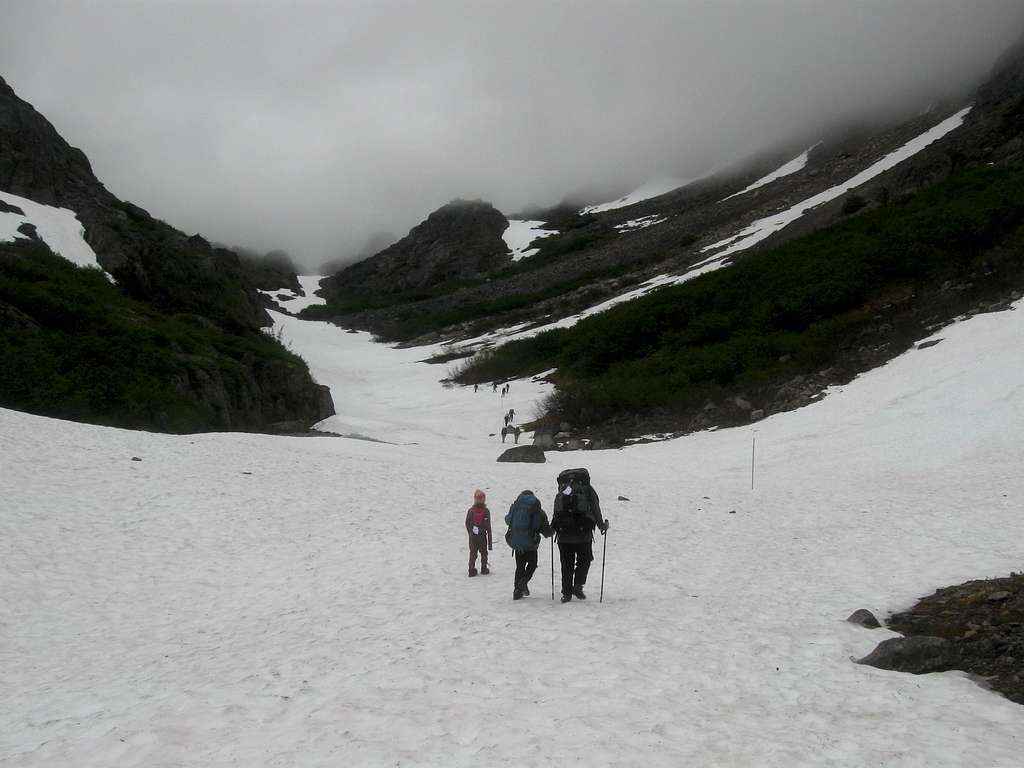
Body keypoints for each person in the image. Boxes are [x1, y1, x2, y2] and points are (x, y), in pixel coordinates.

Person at [550, 471, 607, 602]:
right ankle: (578, 585)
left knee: (566, 563)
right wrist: (601, 525)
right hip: (583, 534)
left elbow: (557, 511)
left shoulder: (563, 490)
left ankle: (567, 593)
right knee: (585, 559)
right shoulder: (587, 489)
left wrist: (554, 528)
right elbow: (595, 507)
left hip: (563, 534)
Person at [504, 490, 552, 600]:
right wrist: (551, 532)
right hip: (530, 543)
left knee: (520, 566)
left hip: (517, 543)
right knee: (532, 564)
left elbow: (507, 520)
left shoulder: (516, 508)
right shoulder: (537, 510)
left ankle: (517, 590)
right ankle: (523, 583)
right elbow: (545, 529)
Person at [465, 489, 492, 577]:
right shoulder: (486, 511)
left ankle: (471, 569)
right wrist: (490, 544)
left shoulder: (471, 511)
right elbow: (488, 527)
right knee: (484, 552)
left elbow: (467, 523)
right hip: (482, 536)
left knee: (473, 552)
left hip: (473, 537)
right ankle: (484, 568)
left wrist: (470, 532)